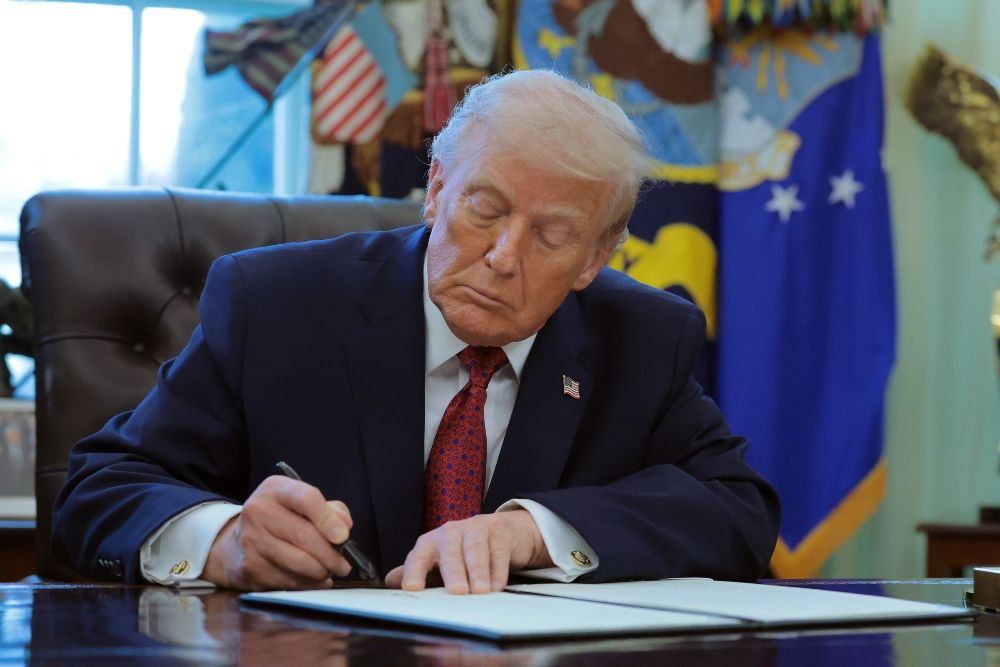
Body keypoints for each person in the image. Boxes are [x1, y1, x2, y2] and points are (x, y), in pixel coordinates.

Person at [52, 69, 780, 593]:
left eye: (552, 235)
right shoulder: (275, 305)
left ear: (595, 257)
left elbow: (739, 510)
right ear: (436, 190)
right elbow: (99, 489)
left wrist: (535, 529)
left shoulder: (644, 337)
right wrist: (223, 541)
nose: (502, 258)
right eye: (484, 209)